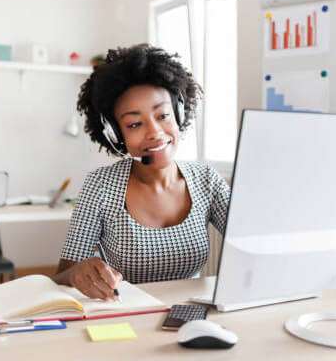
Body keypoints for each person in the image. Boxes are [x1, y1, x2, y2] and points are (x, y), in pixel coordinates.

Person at [53, 44, 230, 300]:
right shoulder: (101, 186)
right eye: (134, 124)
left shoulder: (207, 181)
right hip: (127, 316)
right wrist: (76, 274)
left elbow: (250, 242)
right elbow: (62, 277)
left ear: (178, 114)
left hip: (190, 315)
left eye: (163, 115)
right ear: (115, 135)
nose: (155, 132)